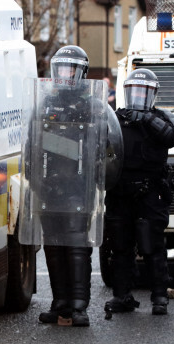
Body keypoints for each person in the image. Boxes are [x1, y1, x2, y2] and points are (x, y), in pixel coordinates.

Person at [33, 45, 109, 327]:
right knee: (53, 247)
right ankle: (60, 303)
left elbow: (104, 148)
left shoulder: (94, 106)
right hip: (49, 189)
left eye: (71, 69)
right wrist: (36, 181)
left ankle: (79, 307)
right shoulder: (45, 105)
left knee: (77, 247)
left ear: (81, 73)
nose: (65, 75)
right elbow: (33, 143)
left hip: (79, 187)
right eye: (61, 69)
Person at [103, 69, 174, 315]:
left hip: (150, 192)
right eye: (134, 91)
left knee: (152, 245)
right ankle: (122, 296)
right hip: (119, 191)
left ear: (153, 94)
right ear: (126, 92)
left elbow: (173, 137)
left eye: (143, 91)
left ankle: (159, 296)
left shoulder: (160, 119)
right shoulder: (115, 118)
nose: (138, 95)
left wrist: (147, 119)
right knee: (120, 246)